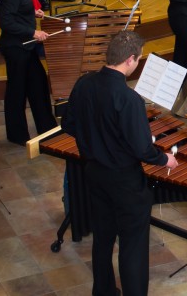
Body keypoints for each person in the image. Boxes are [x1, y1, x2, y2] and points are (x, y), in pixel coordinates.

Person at [63, 30, 178, 296]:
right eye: (138, 60)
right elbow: (142, 150)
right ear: (130, 60)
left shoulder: (84, 83)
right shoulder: (129, 99)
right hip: (125, 182)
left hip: (93, 173)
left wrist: (96, 137)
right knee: (133, 245)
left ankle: (102, 291)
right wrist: (165, 159)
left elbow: (68, 124)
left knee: (102, 238)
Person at [0, 0, 57, 144]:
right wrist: (33, 31)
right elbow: (6, 22)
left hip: (25, 45)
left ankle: (47, 128)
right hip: (16, 47)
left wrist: (33, 12)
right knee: (17, 91)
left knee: (37, 85)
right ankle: (17, 134)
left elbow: (18, 10)